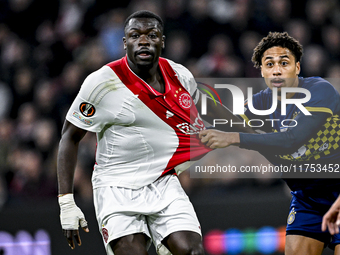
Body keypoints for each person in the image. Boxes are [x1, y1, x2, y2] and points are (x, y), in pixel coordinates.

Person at [57, 10, 249, 255]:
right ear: (125, 42)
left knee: (194, 252)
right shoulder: (102, 83)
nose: (144, 41)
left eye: (152, 35)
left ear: (163, 41)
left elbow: (206, 107)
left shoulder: (180, 75)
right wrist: (66, 201)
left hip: (163, 181)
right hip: (116, 187)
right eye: (135, 35)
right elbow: (69, 137)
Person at [199, 32, 340, 254]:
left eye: (284, 63)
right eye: (269, 64)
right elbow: (224, 125)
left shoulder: (320, 90)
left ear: (298, 68)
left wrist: (234, 139)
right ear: (262, 71)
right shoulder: (260, 102)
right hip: (306, 199)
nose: (277, 69)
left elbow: (292, 140)